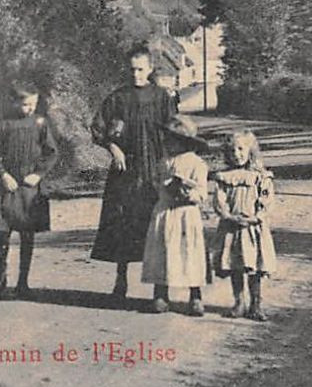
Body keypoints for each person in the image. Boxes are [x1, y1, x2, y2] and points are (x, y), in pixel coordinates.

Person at [90, 46, 175, 304]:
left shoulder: (162, 98)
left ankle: (160, 291)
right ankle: (121, 280)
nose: (136, 74)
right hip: (125, 171)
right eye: (132, 69)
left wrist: (169, 166)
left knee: (156, 225)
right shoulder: (117, 98)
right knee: (123, 224)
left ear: (150, 69)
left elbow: (173, 132)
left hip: (154, 170)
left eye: (141, 69)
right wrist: (113, 147)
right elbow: (99, 127)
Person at [0, 82, 60, 300]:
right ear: (14, 102)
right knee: (3, 232)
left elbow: (51, 153)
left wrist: (38, 174)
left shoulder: (40, 123)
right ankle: (1, 280)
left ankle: (23, 282)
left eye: (33, 104)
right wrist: (3, 175)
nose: (30, 109)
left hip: (29, 187)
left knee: (27, 233)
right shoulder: (3, 124)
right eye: (25, 104)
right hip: (7, 185)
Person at [142, 115, 210, 316]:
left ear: (184, 142)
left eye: (171, 139)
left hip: (186, 215)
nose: (166, 143)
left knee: (189, 251)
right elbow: (155, 183)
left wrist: (188, 193)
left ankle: (195, 295)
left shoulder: (196, 164)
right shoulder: (163, 163)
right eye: (165, 138)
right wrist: (162, 187)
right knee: (162, 252)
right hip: (165, 213)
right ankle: (161, 293)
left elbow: (202, 192)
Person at [212, 129, 277, 321]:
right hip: (232, 227)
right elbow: (219, 200)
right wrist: (228, 216)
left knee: (254, 266)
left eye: (241, 149)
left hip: (252, 228)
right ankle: (239, 302)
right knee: (235, 265)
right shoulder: (224, 177)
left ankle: (255, 304)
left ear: (251, 151)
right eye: (232, 150)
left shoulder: (260, 176)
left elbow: (266, 200)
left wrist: (256, 217)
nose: (236, 154)